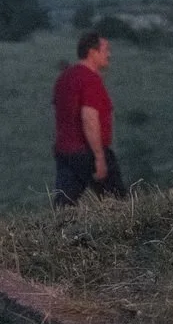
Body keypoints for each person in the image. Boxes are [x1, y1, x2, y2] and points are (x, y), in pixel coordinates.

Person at [52, 31, 124, 206]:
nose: (109, 54)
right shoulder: (89, 79)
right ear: (92, 52)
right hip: (88, 151)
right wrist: (99, 157)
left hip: (65, 152)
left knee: (64, 205)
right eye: (105, 49)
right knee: (117, 202)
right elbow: (89, 118)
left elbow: (57, 112)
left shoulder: (64, 78)